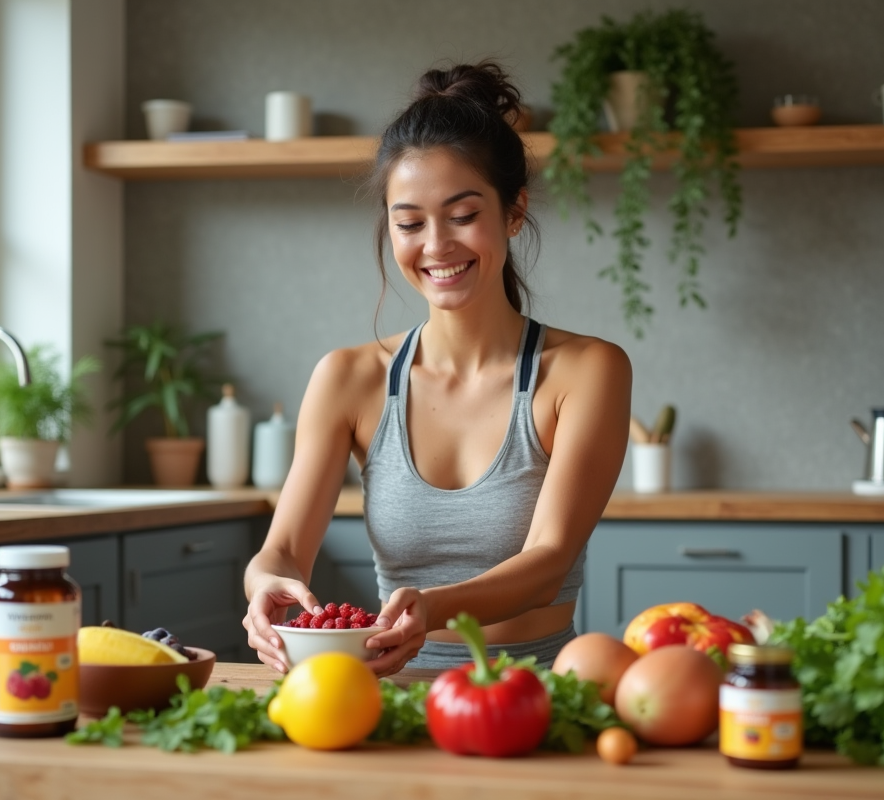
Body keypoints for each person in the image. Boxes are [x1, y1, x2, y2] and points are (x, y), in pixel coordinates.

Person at [242, 61, 631, 677]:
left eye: (463, 214)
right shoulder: (348, 378)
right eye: (409, 223)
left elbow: (549, 561)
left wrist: (434, 608)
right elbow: (283, 550)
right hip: (379, 695)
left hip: (537, 695)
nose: (435, 245)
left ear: (514, 212)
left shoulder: (585, 371)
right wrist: (265, 586)